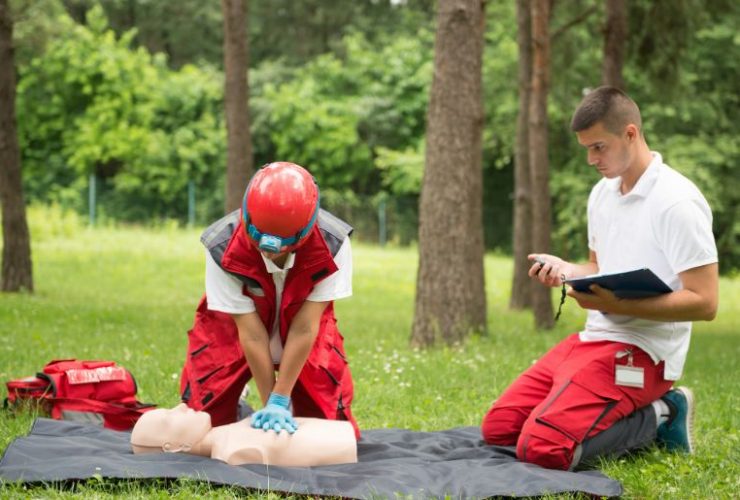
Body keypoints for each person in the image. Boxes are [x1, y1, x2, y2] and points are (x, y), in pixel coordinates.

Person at [481, 86, 718, 470]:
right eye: (586, 148)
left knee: (542, 449)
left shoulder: (677, 202)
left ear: (630, 133)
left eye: (599, 147)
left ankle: (661, 414)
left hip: (645, 352)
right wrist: (565, 271)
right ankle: (587, 413)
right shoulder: (602, 194)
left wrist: (617, 303)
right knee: (500, 428)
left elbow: (705, 303)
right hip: (595, 338)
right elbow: (597, 266)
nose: (591, 159)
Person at [179, 162, 359, 438]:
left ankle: (284, 400)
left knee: (329, 431)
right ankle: (240, 403)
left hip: (303, 332)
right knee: (199, 429)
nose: (269, 253)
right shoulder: (221, 246)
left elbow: (305, 327)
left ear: (304, 232)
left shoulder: (333, 244)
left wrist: (280, 399)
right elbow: (250, 334)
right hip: (231, 332)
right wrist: (268, 404)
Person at [130, 403, 357, 466]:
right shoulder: (232, 452)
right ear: (172, 447)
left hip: (340, 436)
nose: (180, 406)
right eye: (170, 418)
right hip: (342, 445)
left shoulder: (226, 436)